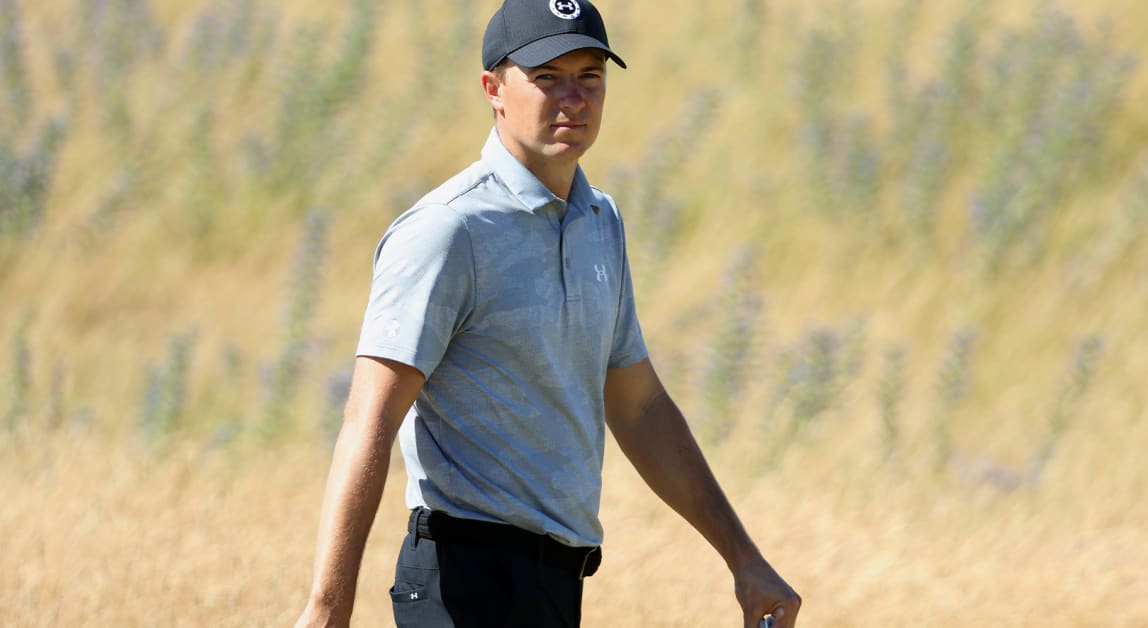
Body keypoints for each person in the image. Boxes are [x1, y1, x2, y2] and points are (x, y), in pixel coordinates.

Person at [295, 1, 801, 626]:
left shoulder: (601, 221)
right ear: (493, 89)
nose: (574, 97)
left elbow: (638, 405)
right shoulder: (447, 230)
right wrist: (327, 608)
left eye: (590, 76)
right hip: (463, 579)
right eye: (547, 77)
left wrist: (742, 558)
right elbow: (370, 417)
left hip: (558, 584)